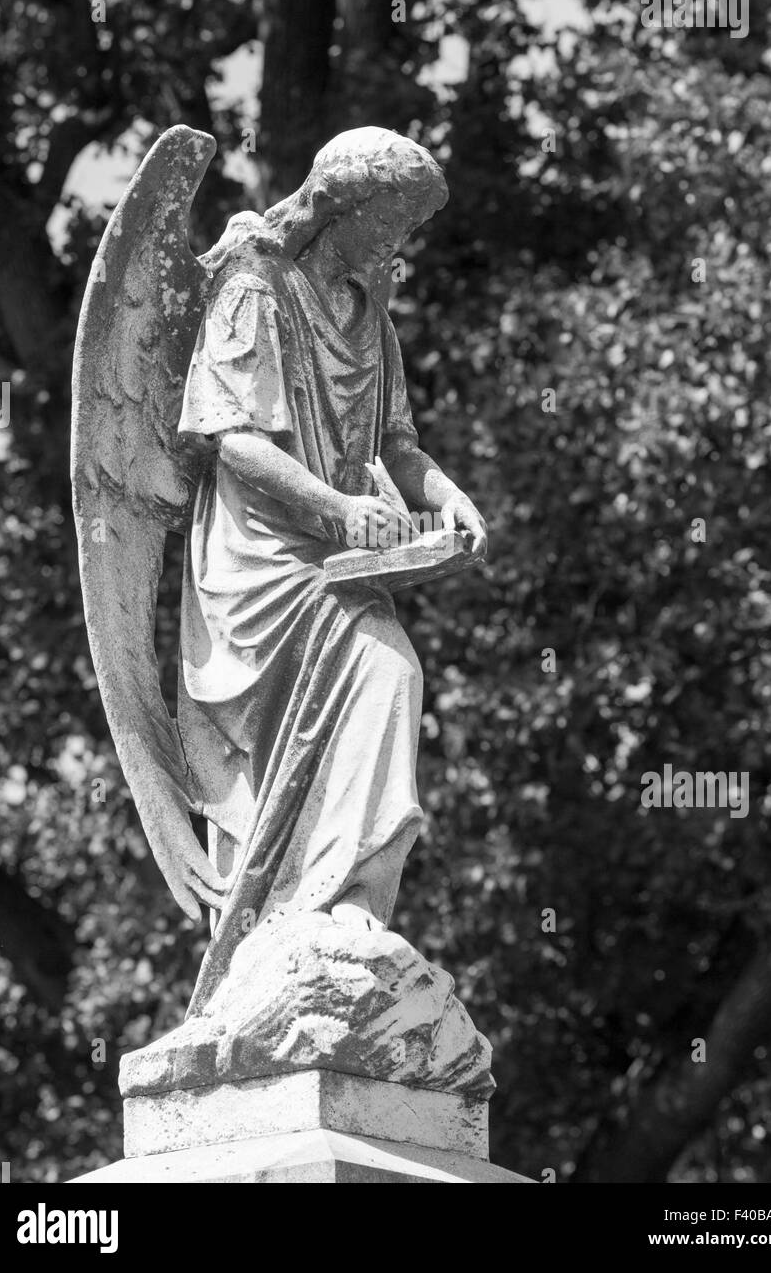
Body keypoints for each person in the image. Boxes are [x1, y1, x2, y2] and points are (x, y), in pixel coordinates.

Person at [175, 127, 487, 1014]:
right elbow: (231, 437)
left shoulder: (370, 311)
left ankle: (351, 918)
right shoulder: (254, 289)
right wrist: (338, 509)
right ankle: (293, 928)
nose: (401, 245)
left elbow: (396, 443)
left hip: (340, 560)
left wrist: (447, 495)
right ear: (345, 207)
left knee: (390, 675)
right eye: (395, 221)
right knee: (383, 674)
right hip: (262, 566)